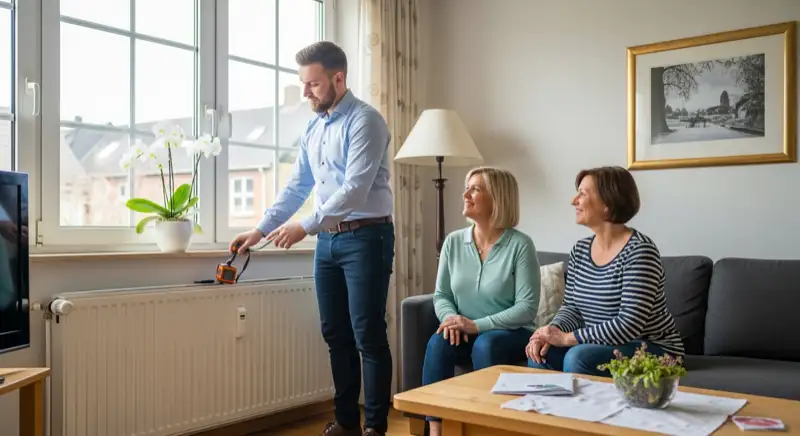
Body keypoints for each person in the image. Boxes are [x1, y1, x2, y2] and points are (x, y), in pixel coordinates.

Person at [229, 41, 394, 436]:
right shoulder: (313, 127)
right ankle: (347, 423)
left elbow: (354, 189)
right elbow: (298, 185)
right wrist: (261, 228)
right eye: (304, 84)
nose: (306, 93)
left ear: (339, 79)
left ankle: (375, 427)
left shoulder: (366, 121)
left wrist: (305, 226)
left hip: (366, 237)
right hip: (329, 243)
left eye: (314, 84)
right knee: (335, 333)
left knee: (367, 333)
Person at [526, 166, 684, 376]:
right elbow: (572, 307)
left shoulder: (640, 252)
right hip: (597, 344)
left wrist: (567, 338)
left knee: (578, 357)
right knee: (539, 354)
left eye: (582, 193)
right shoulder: (580, 250)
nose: (574, 201)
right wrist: (550, 332)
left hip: (651, 349)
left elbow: (629, 325)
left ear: (607, 204)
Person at [422, 167, 540, 436]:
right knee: (438, 342)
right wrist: (451, 320)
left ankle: (485, 427)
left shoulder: (520, 245)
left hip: (511, 334)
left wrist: (476, 325)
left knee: (487, 344)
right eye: (467, 187)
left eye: (475, 188)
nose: (465, 194)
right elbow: (442, 295)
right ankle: (435, 429)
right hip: (463, 331)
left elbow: (526, 308)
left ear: (497, 197)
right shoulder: (453, 242)